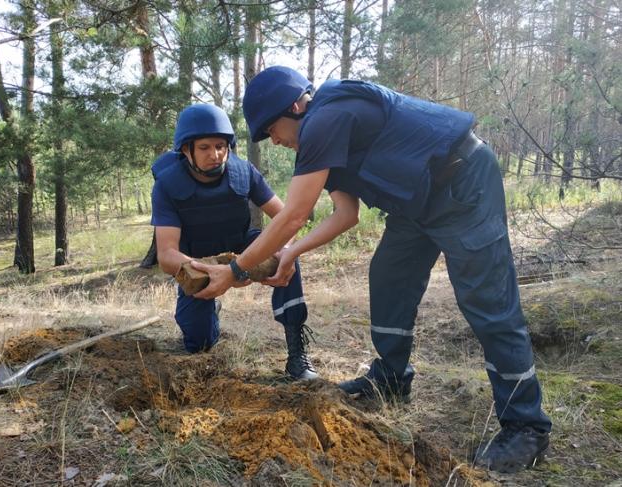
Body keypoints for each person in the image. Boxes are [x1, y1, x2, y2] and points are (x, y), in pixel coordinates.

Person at [190, 66, 552, 473]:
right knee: (388, 278)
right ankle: (391, 379)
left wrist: (237, 269)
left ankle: (526, 425)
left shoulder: (327, 117)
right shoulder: (325, 140)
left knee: (487, 302)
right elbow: (345, 215)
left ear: (295, 106)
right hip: (416, 203)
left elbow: (293, 214)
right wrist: (291, 254)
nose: (273, 139)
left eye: (271, 128)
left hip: (462, 182)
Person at [151, 103, 317, 380]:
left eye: (220, 145)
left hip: (243, 244)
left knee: (288, 254)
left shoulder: (244, 172)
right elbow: (167, 254)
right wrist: (215, 271)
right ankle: (208, 315)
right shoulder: (167, 185)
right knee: (199, 343)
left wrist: (283, 252)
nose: (215, 155)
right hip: (197, 261)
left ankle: (296, 353)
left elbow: (286, 217)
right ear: (186, 149)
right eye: (204, 147)